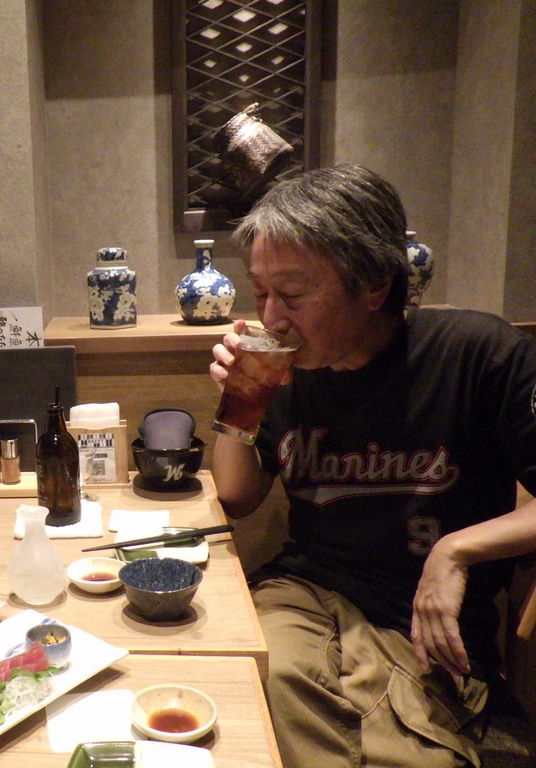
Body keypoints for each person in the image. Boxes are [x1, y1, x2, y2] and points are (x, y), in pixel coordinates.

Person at [209, 165, 536, 768]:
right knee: (260, 677)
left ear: (375, 285)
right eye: (260, 293)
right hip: (305, 594)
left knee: (396, 737)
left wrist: (456, 551)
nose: (272, 317)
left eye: (293, 294)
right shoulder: (289, 365)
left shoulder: (480, 355)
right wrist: (239, 405)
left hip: (416, 619)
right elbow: (236, 494)